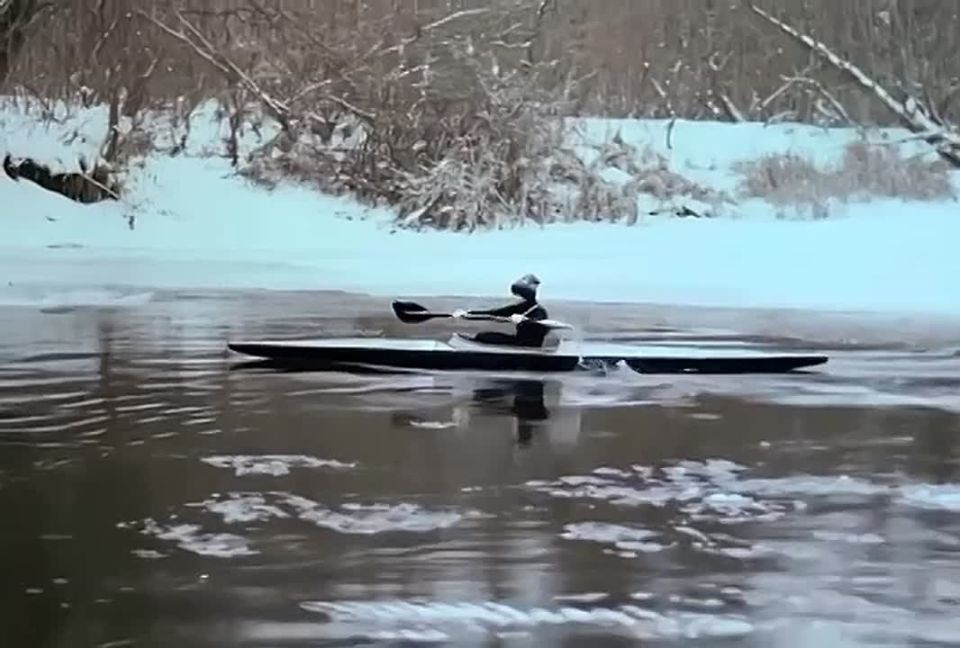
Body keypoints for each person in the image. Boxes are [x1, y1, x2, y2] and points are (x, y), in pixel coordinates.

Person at [452, 274, 550, 347]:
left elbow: (541, 326)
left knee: (485, 337)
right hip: (518, 341)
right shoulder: (519, 308)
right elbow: (494, 313)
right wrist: (467, 313)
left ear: (526, 296)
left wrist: (525, 320)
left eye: (518, 295)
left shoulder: (539, 311)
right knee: (483, 335)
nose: (515, 298)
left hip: (529, 347)